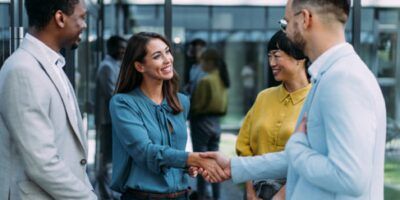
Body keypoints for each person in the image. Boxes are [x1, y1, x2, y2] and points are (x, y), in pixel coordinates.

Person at [200, 0, 387, 199]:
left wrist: (296, 146)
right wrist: (233, 166)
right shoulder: (331, 76)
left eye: (286, 22)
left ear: (305, 19)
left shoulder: (343, 79)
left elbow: (349, 177)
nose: (286, 30)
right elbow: (310, 158)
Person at [108, 32, 228, 200]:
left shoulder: (181, 102)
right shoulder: (123, 103)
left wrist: (187, 166)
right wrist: (191, 158)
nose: (168, 59)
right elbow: (145, 152)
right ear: (139, 66)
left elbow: (174, 151)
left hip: (181, 195)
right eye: (157, 56)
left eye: (167, 51)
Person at [0, 0, 97, 199]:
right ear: (60, 18)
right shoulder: (23, 70)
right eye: (81, 17)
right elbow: (41, 163)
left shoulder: (52, 64)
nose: (85, 25)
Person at [236, 30, 310, 200]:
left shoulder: (315, 99)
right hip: (256, 191)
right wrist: (250, 193)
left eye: (277, 56)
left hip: (297, 192)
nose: (271, 63)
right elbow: (244, 147)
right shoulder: (264, 97)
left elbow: (311, 157)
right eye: (269, 56)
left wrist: (280, 196)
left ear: (299, 57)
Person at [190, 48, 230, 200]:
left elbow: (197, 106)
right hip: (216, 124)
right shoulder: (221, 79)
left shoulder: (205, 81)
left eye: (203, 61)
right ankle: (217, 196)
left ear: (210, 62)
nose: (201, 65)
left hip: (201, 122)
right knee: (216, 162)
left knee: (201, 162)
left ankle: (201, 195)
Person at [95, 35, 127, 199]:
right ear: (111, 48)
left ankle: (107, 193)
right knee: (106, 160)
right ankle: (106, 195)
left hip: (112, 120)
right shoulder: (107, 66)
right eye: (120, 47)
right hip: (107, 120)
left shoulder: (115, 65)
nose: (123, 51)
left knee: (110, 159)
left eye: (124, 48)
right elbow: (113, 94)